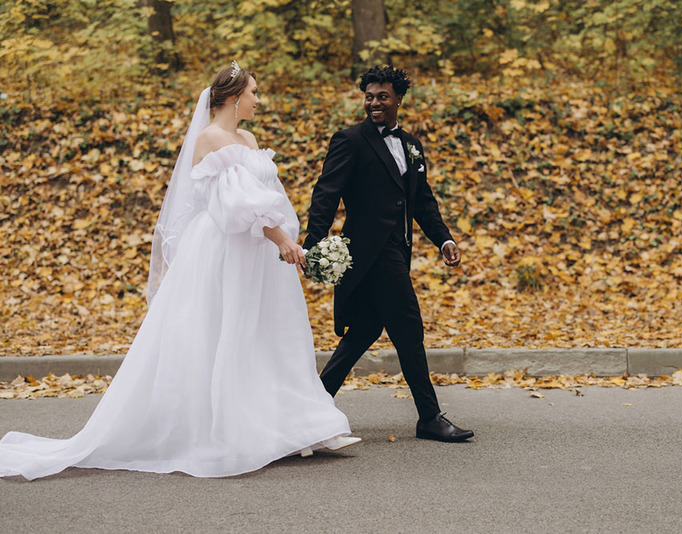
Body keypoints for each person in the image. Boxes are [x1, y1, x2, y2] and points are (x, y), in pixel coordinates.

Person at [0, 62, 360, 481]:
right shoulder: (211, 139)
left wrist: (285, 237)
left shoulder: (248, 137)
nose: (258, 100)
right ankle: (231, 429)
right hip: (226, 250)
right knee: (226, 334)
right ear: (232, 97)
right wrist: (281, 239)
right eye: (254, 93)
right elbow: (236, 204)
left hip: (257, 251)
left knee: (269, 334)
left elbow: (267, 195)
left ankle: (303, 426)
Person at [304, 65, 473, 442]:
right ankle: (429, 417)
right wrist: (313, 243)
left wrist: (443, 239)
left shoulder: (412, 145)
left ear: (398, 99)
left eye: (382, 96)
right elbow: (326, 193)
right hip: (369, 255)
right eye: (369, 96)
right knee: (409, 330)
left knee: (363, 331)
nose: (374, 102)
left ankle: (309, 405)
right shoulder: (350, 140)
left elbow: (423, 202)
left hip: (397, 251)